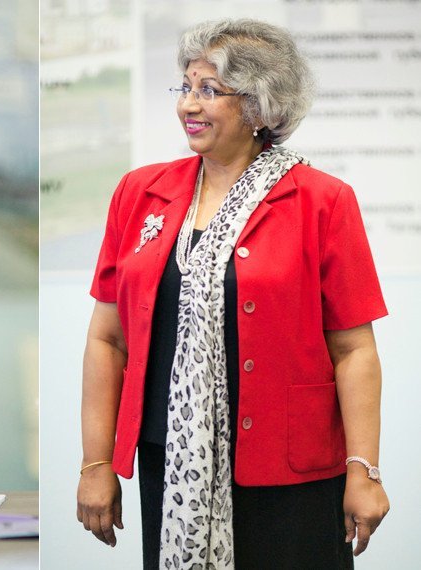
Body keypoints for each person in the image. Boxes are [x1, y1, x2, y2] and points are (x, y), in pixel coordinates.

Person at [76, 19, 389, 569]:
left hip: (290, 473)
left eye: (209, 90)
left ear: (260, 107)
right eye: (186, 87)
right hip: (169, 462)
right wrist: (95, 463)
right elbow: (107, 340)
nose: (188, 105)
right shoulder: (139, 193)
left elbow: (355, 350)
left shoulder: (322, 201)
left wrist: (365, 471)